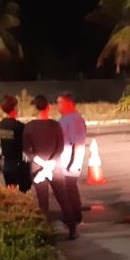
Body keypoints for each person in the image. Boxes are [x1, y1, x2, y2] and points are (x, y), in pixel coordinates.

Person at [22, 94, 78, 239]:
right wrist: (50, 164)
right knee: (63, 199)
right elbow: (60, 148)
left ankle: (45, 233)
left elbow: (27, 150)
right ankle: (72, 230)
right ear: (48, 107)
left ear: (35, 108)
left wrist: (42, 164)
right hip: (55, 167)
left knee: (43, 203)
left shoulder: (28, 127)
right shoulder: (55, 125)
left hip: (37, 168)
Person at [57, 92, 87, 224]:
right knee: (66, 190)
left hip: (70, 163)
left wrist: (71, 163)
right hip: (63, 161)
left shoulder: (75, 119)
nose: (58, 106)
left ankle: (75, 217)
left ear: (69, 104)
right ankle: (70, 217)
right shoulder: (64, 118)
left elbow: (78, 142)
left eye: (60, 103)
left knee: (70, 189)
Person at [0, 94, 30, 192]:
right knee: (23, 192)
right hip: (18, 163)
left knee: (11, 191)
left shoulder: (1, 125)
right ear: (15, 108)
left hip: (6, 164)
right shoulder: (19, 126)